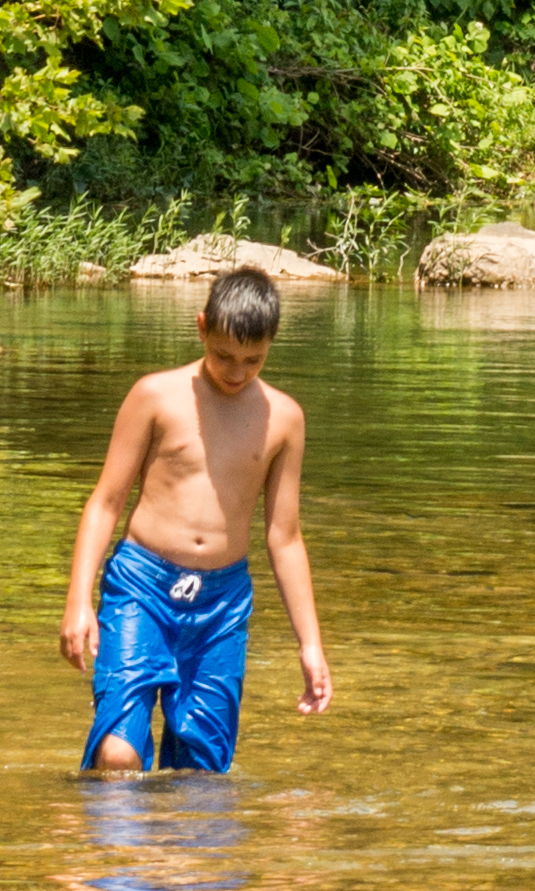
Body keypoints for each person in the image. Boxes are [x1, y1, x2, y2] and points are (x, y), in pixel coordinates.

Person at [63, 266, 334, 778]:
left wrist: (311, 644)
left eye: (253, 360)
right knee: (119, 754)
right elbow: (106, 501)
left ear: (272, 345)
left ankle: (179, 860)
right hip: (142, 584)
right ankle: (112, 855)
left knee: (201, 775)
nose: (236, 372)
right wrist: (79, 602)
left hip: (223, 603)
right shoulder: (156, 396)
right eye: (223, 356)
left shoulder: (284, 418)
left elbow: (285, 537)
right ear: (201, 327)